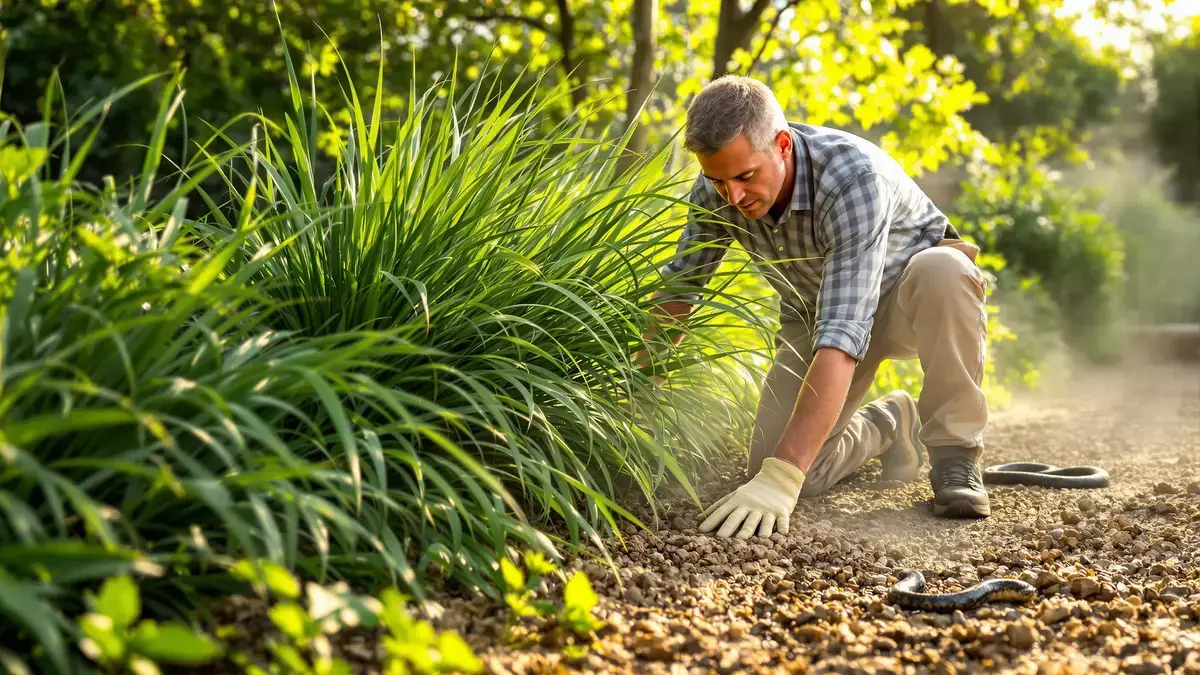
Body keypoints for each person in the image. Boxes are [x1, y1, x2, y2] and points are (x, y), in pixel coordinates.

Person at [646, 75, 992, 540]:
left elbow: (843, 335)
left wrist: (782, 477)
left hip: (909, 303)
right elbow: (681, 290)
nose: (733, 197)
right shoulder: (717, 190)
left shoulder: (851, 178)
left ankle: (955, 455)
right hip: (814, 313)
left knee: (944, 270)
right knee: (777, 459)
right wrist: (641, 392)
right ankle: (891, 422)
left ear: (782, 144)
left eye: (746, 176)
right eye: (718, 180)